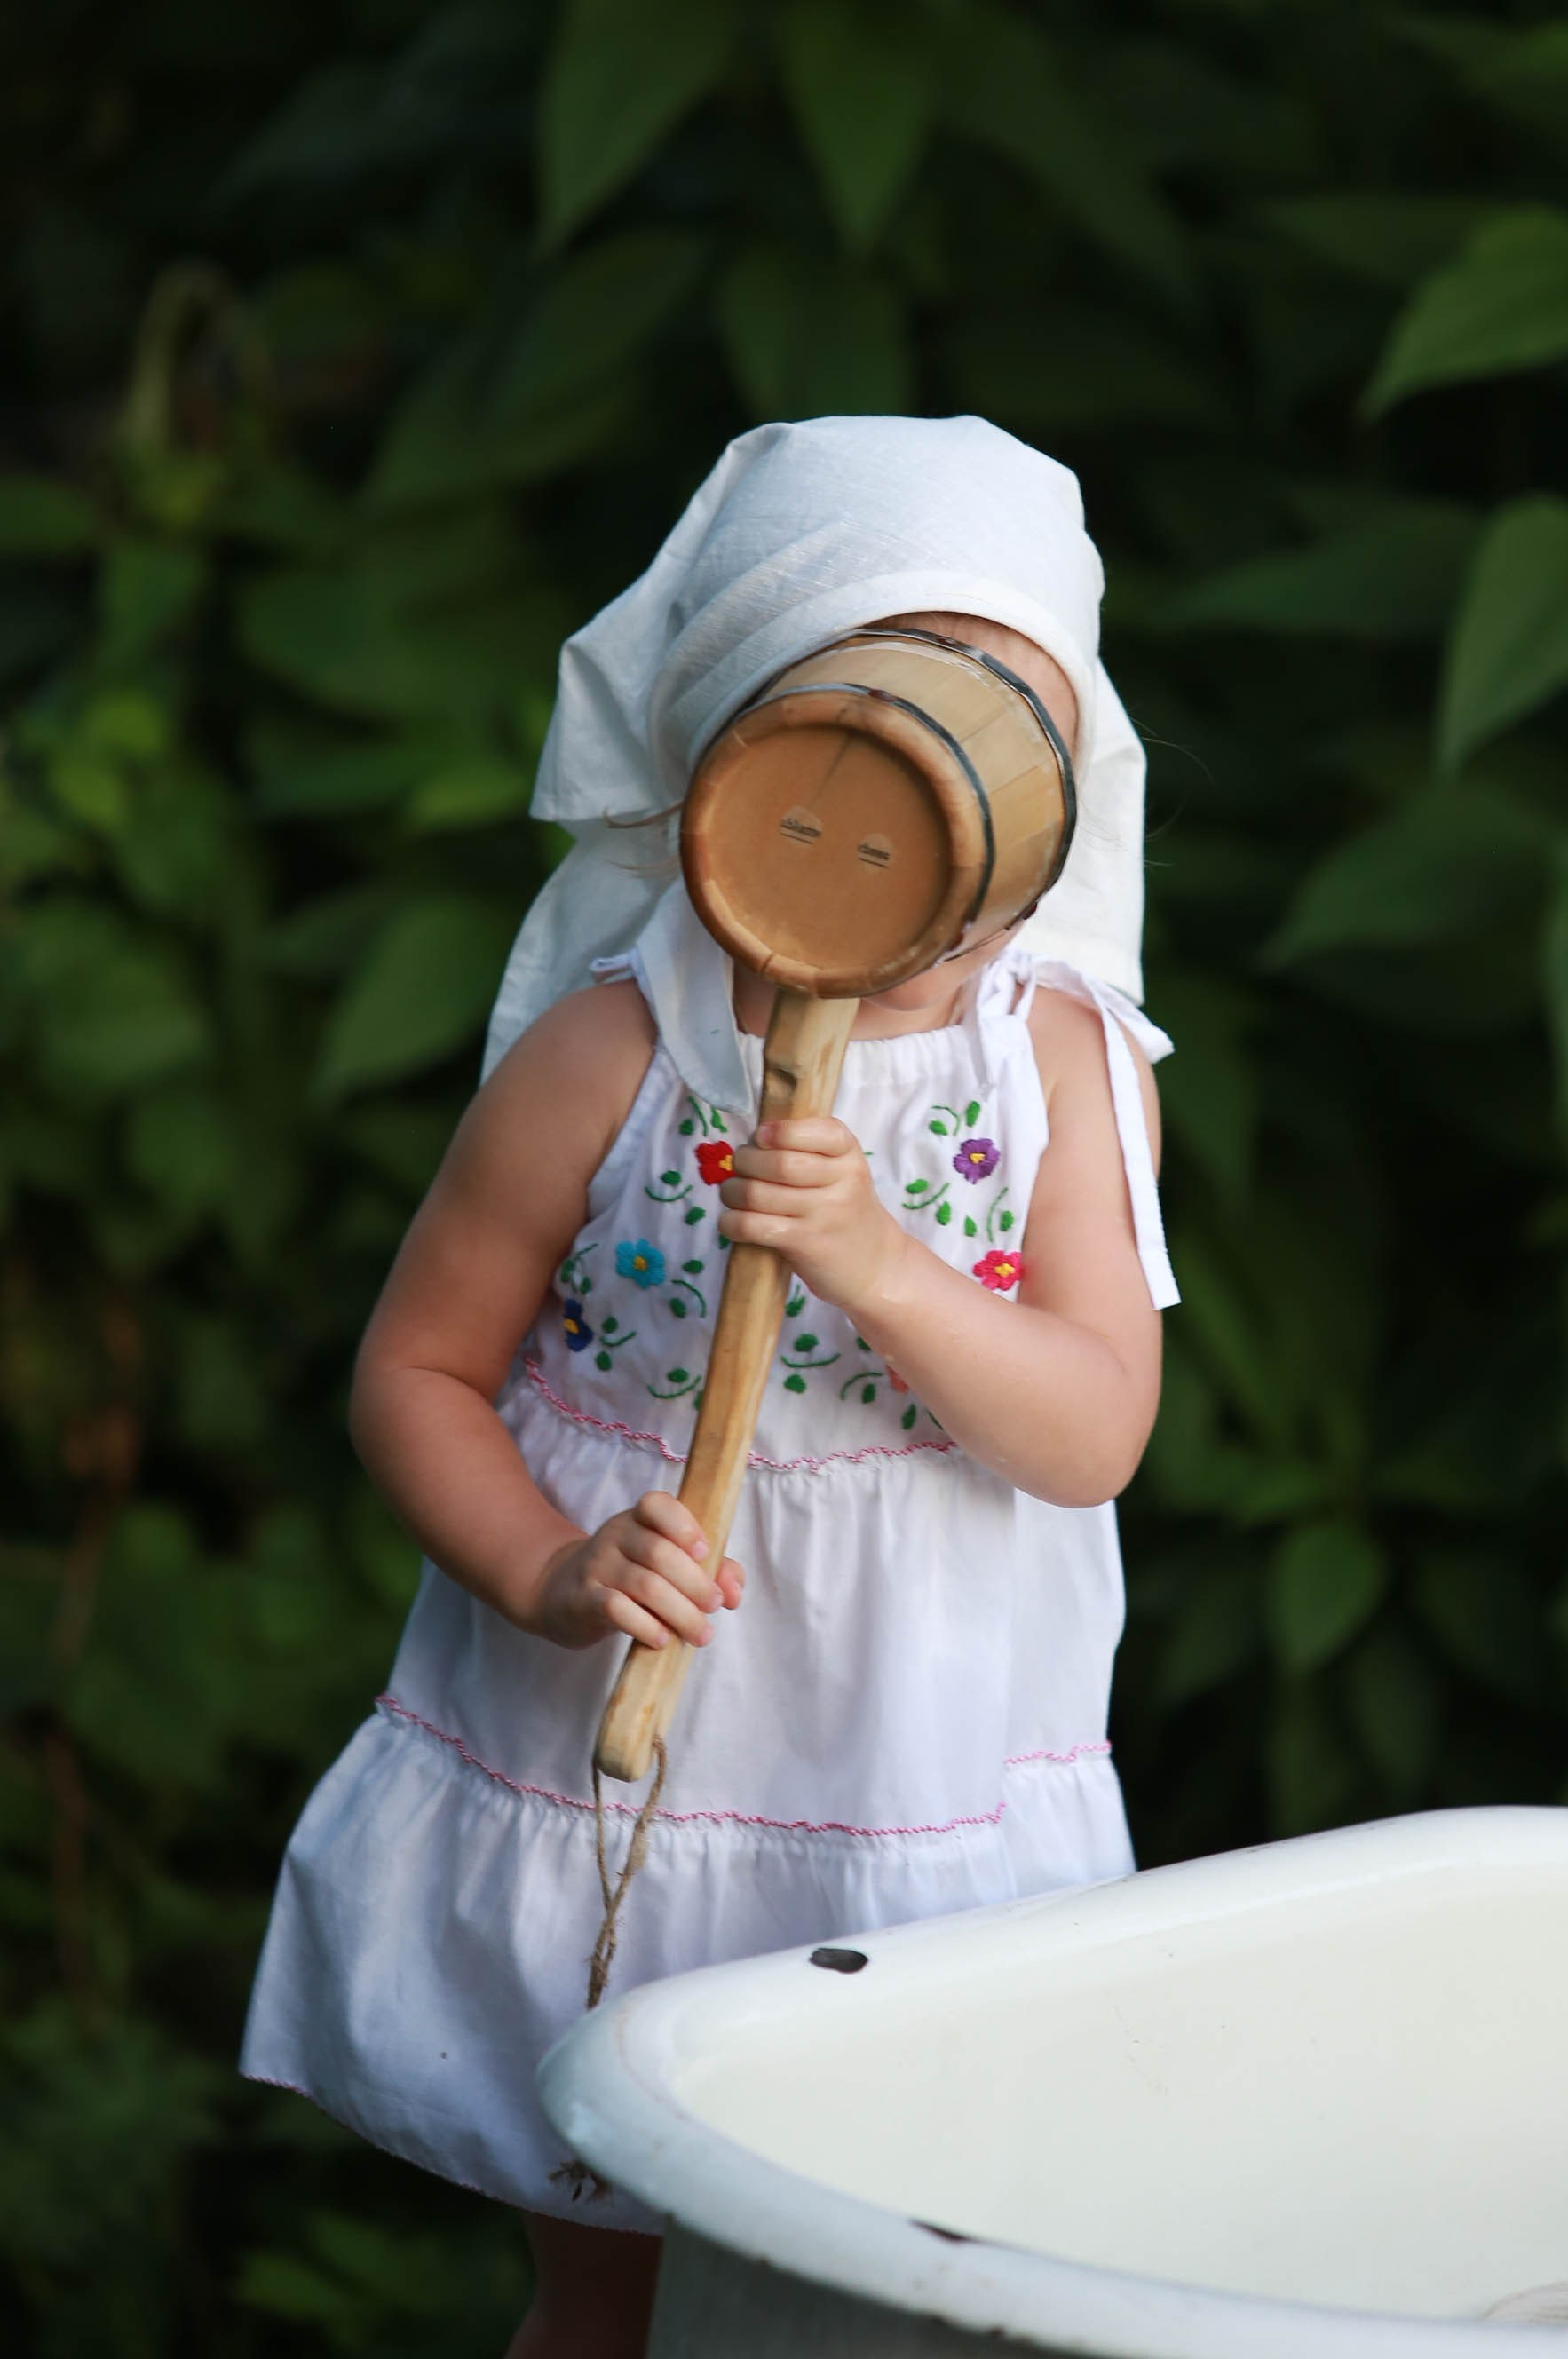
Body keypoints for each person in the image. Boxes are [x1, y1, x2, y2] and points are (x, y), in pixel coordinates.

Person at [240, 414, 1179, 2359]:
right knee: (618, 2273)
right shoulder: (609, 1052)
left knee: (928, 2266)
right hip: (648, 1775)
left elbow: (1091, 1431)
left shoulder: (1061, 1069)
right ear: (734, 763)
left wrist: (881, 1267)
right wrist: (548, 1566)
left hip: (911, 1750)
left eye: (1005, 737)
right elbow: (417, 1368)